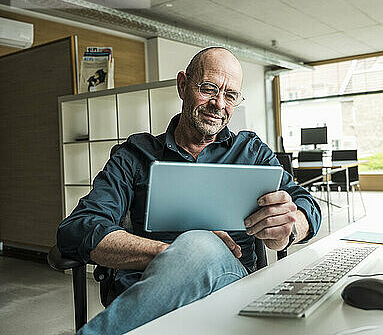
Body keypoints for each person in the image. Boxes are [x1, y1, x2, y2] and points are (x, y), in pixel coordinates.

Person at [57, 47, 322, 335]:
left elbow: (306, 203)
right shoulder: (135, 154)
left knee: (201, 248)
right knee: (199, 245)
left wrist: (291, 226)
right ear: (183, 85)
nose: (219, 104)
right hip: (147, 294)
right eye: (208, 89)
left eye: (230, 95)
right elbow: (77, 229)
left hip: (229, 289)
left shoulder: (251, 151)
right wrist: (174, 254)